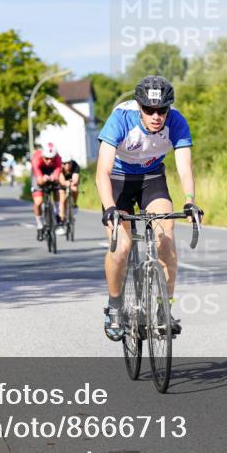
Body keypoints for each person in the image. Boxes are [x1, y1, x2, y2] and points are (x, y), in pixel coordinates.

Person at [95, 75, 202, 340]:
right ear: (139, 106)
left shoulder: (177, 122)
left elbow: (184, 168)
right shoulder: (120, 118)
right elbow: (102, 172)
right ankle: (115, 306)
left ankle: (163, 310)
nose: (156, 116)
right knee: (121, 247)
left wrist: (189, 201)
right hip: (118, 180)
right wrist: (109, 208)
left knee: (166, 237)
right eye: (149, 110)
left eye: (161, 110)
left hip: (152, 179)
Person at [31, 141, 63, 233]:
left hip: (51, 171)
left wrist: (54, 177)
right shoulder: (36, 158)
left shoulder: (57, 159)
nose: (49, 161)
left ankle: (57, 212)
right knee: (38, 202)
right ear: (43, 155)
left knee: (57, 187)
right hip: (39, 171)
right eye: (47, 158)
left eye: (51, 159)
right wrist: (42, 178)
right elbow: (39, 179)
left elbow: (57, 174)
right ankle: (40, 225)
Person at [57, 153, 81, 219]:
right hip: (63, 181)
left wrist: (72, 183)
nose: (67, 166)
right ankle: (62, 218)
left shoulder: (75, 165)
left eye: (69, 163)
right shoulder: (59, 166)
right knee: (62, 200)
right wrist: (65, 183)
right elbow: (61, 180)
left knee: (75, 189)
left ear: (71, 162)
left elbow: (75, 179)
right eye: (64, 164)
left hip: (72, 181)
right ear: (62, 163)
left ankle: (74, 204)